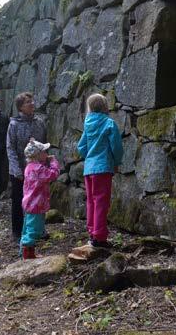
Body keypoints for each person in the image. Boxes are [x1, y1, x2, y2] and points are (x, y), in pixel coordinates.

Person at [77, 93, 124, 248]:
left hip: (89, 169)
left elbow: (81, 147)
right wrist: (116, 161)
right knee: (102, 202)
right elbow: (116, 147)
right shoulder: (109, 124)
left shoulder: (88, 124)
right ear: (105, 106)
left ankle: (92, 232)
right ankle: (99, 237)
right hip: (103, 168)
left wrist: (89, 157)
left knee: (91, 201)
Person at [6, 92, 46, 240]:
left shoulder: (39, 122)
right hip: (19, 170)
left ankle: (39, 229)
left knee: (39, 199)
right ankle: (17, 232)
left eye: (32, 101)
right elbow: (10, 148)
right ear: (20, 107)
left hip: (37, 170)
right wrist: (17, 170)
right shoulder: (14, 124)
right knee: (18, 200)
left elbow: (44, 145)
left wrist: (45, 165)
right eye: (28, 102)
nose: (32, 104)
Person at [20, 139, 60, 259]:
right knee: (34, 230)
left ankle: (25, 251)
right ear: (38, 155)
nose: (47, 153)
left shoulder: (30, 167)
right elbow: (53, 174)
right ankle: (28, 254)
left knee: (27, 228)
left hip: (29, 203)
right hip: (36, 204)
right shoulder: (38, 169)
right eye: (44, 151)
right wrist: (53, 162)